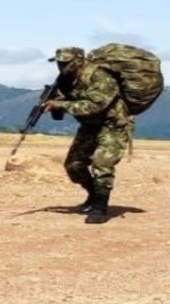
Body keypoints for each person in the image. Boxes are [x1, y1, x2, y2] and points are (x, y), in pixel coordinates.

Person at [43, 47, 131, 224]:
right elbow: (62, 109)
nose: (61, 66)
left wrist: (60, 105)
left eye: (65, 62)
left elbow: (95, 106)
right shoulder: (66, 81)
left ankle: (100, 207)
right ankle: (93, 194)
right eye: (59, 62)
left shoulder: (100, 77)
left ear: (78, 60)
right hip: (89, 126)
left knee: (102, 163)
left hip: (112, 126)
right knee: (74, 166)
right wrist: (53, 102)